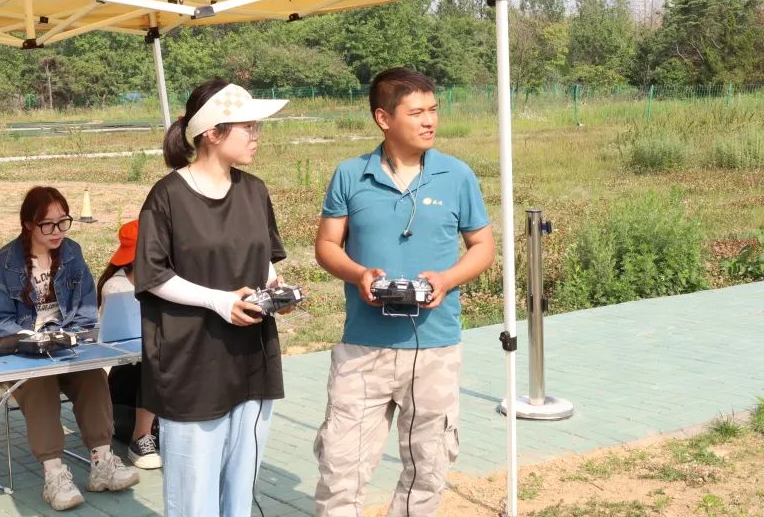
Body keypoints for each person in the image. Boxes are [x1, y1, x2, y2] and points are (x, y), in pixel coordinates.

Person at [312, 68, 495, 517]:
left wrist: (446, 280)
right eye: (416, 112)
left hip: (434, 347)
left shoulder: (457, 175)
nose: (430, 120)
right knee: (341, 467)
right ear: (383, 118)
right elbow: (326, 245)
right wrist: (359, 275)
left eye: (433, 109)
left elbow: (483, 246)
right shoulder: (350, 174)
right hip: (363, 349)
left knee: (428, 468)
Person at [134, 79, 289, 517]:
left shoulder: (254, 190)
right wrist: (219, 301)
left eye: (257, 127)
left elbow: (263, 258)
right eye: (247, 127)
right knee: (194, 491)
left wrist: (275, 288)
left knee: (241, 482)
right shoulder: (167, 196)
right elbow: (153, 275)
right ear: (212, 133)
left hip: (252, 355)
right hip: (192, 359)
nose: (256, 136)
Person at [0, 186, 139, 512]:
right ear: (29, 224)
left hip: (66, 346)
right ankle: (54, 474)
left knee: (92, 375)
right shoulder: (7, 261)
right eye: (48, 225)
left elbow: (85, 312)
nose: (57, 231)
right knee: (40, 382)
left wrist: (68, 337)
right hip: (23, 353)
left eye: (63, 222)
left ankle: (102, 461)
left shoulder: (72, 253)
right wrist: (36, 339)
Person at [96, 219, 161, 470]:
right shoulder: (117, 287)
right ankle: (140, 438)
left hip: (153, 372)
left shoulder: (168, 281)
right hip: (127, 372)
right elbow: (118, 340)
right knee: (154, 360)